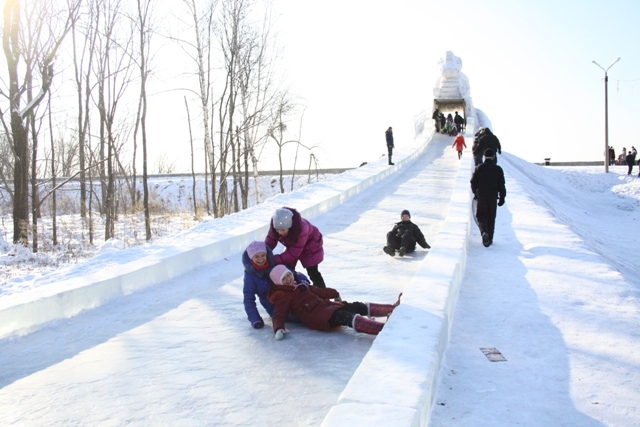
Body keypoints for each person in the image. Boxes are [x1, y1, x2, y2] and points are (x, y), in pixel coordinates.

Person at [267, 265, 402, 339]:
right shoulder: (283, 296)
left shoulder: (302, 285)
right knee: (346, 317)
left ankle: (390, 309)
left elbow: (320, 291)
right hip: (316, 317)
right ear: (279, 282)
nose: (289, 278)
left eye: (289, 274)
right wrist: (278, 328)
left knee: (354, 306)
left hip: (326, 307)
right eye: (284, 278)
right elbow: (278, 314)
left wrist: (335, 293)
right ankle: (381, 329)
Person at [265, 207, 326, 288]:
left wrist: (273, 260)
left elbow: (294, 253)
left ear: (290, 226)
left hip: (311, 245)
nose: (279, 232)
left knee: (313, 272)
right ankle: (292, 292)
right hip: (294, 245)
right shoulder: (276, 224)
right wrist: (264, 253)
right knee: (287, 269)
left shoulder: (300, 229)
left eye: (283, 230)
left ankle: (323, 293)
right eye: (277, 230)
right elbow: (270, 240)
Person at [470, 148, 506, 247]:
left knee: (481, 216)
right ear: (493, 157)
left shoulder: (478, 168)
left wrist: (476, 193)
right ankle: (490, 238)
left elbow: (473, 182)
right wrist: (502, 197)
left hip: (481, 196)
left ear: (484, 157)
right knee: (491, 217)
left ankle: (484, 232)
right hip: (493, 197)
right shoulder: (498, 169)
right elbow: (501, 185)